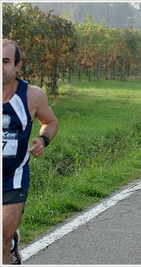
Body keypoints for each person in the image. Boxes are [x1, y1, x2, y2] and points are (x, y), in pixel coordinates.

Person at [2, 39, 59, 264]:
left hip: (13, 178)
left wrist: (43, 139)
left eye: (5, 61)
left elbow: (51, 121)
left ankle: (8, 242)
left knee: (0, 242)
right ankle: (12, 240)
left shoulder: (32, 96)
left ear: (18, 66)